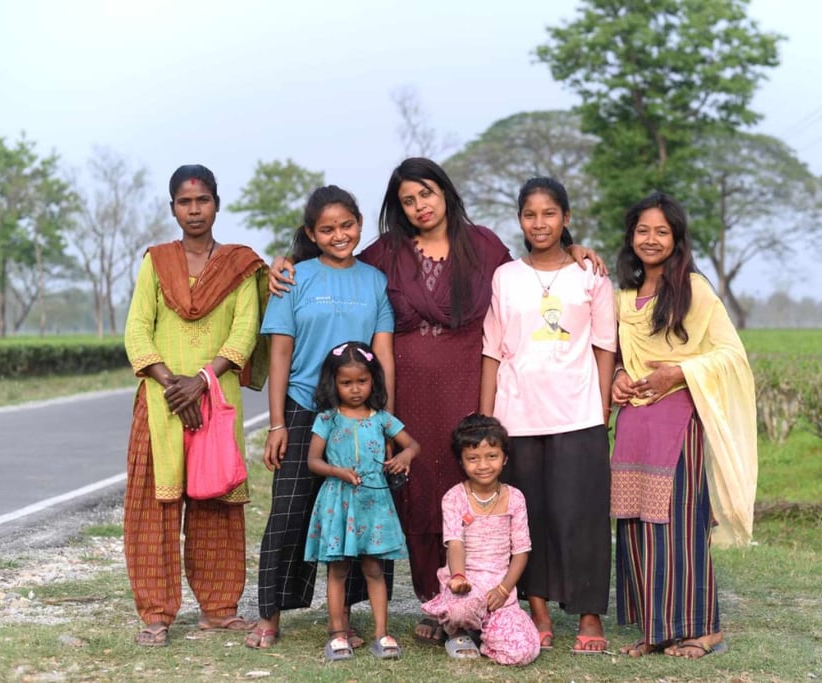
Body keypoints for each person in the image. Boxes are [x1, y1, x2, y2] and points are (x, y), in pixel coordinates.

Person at [267, 158, 607, 644]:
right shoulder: (386, 252)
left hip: (468, 382)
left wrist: (575, 249)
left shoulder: (484, 245)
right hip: (408, 390)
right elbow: (335, 257)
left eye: (426, 193)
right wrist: (283, 263)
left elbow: (535, 267)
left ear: (445, 192)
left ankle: (484, 594)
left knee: (468, 481)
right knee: (416, 488)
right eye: (407, 200)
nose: (419, 206)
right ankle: (436, 600)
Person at [123, 164, 267, 647]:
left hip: (217, 402)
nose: (194, 210)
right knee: (154, 509)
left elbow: (244, 331)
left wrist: (203, 382)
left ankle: (219, 609)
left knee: (219, 507)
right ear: (172, 209)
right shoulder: (156, 261)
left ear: (216, 204)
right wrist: (171, 383)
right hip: (160, 405)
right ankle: (157, 614)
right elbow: (138, 328)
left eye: (202, 200)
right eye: (185, 202)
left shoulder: (240, 265)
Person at [248, 186, 395, 650]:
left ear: (360, 223)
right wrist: (276, 424)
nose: (339, 235)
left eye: (347, 225)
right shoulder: (294, 278)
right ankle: (270, 615)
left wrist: (384, 423)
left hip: (360, 415)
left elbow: (384, 353)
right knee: (289, 513)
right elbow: (280, 353)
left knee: (360, 512)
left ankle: (348, 617)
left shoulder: (374, 279)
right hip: (302, 407)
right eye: (327, 229)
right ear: (312, 233)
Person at [610, 192, 756, 659]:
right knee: (637, 525)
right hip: (634, 424)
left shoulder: (695, 291)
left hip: (678, 422)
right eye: (642, 230)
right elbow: (614, 355)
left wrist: (677, 371)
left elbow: (731, 353)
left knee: (680, 524)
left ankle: (703, 628)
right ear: (631, 237)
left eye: (661, 231)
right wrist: (615, 376)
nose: (651, 239)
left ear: (676, 239)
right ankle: (657, 627)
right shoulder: (624, 298)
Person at [479, 177, 615, 654]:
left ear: (566, 218)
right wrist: (486, 421)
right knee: (527, 518)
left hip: (578, 417)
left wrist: (601, 410)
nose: (539, 223)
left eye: (549, 213)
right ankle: (536, 610)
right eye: (530, 214)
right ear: (520, 219)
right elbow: (492, 351)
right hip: (516, 416)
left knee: (582, 517)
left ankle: (589, 613)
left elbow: (604, 347)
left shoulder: (591, 275)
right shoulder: (505, 276)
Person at [304, 341, 419, 660]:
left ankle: (382, 633)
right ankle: (337, 633)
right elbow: (313, 461)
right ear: (333, 383)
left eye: (362, 381)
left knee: (374, 568)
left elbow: (412, 445)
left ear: (373, 380)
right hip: (339, 502)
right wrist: (337, 471)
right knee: (337, 569)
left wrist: (405, 456)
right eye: (346, 383)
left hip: (374, 504)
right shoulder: (328, 418)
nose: (355, 390)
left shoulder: (382, 418)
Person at [420, 414, 541, 666]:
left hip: (500, 590)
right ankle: (458, 631)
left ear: (505, 458)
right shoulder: (454, 497)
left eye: (492, 456)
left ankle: (488, 631)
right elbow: (455, 543)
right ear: (462, 462)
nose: (483, 465)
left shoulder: (515, 498)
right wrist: (459, 577)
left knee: (523, 652)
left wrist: (503, 589)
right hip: (465, 584)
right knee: (459, 610)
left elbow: (521, 551)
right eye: (473, 459)